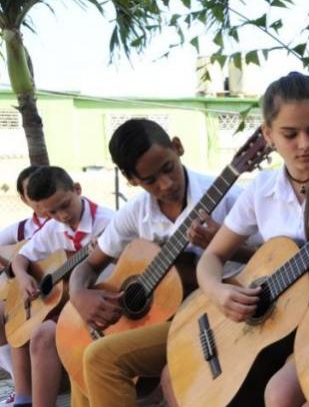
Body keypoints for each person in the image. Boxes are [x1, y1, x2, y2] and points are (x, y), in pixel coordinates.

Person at [194, 72, 309, 407]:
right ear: (268, 134)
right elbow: (211, 258)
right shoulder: (261, 190)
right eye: (290, 134)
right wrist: (217, 291)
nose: (304, 144)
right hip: (273, 328)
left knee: (278, 396)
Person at [66, 118, 248, 407]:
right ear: (132, 180)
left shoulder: (229, 198)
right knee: (80, 358)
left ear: (177, 147)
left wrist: (226, 245)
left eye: (168, 168)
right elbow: (88, 266)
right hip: (159, 318)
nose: (166, 184)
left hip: (213, 315)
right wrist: (78, 295)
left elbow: (275, 255)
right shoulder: (135, 212)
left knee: (100, 356)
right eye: (150, 181)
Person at [9, 166, 114, 407]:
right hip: (68, 305)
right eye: (52, 212)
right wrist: (23, 277)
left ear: (77, 189)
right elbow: (21, 258)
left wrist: (109, 251)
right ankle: (25, 398)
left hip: (103, 300)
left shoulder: (109, 223)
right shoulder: (53, 227)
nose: (62, 216)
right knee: (23, 325)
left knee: (43, 334)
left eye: (65, 205)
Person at [0, 166, 50, 407]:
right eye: (33, 192)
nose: (41, 196)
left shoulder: (64, 224)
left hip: (55, 295)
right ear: (23, 198)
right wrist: (12, 266)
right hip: (30, 296)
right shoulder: (20, 230)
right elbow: (16, 259)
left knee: (16, 317)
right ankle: (20, 386)